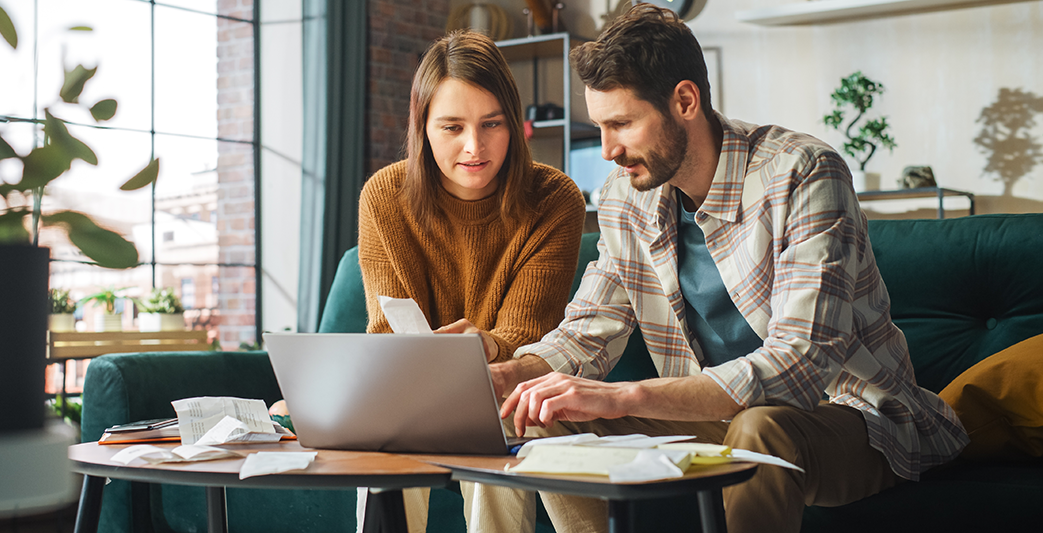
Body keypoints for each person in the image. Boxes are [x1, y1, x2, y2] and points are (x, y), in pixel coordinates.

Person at [488, 5, 969, 533]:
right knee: (544, 414)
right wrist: (510, 376)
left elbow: (801, 362)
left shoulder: (803, 172)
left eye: (622, 124)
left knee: (760, 430)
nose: (608, 150)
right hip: (713, 420)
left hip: (848, 417)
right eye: (601, 126)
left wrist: (628, 394)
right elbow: (588, 330)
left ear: (685, 101)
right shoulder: (626, 197)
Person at [273, 30, 587, 533]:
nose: (474, 146)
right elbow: (388, 334)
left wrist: (487, 345)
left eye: (492, 124)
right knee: (387, 427)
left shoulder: (554, 199)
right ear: (423, 127)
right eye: (452, 127)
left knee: (497, 414)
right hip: (408, 394)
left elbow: (530, 336)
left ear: (514, 124)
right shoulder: (385, 196)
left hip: (506, 387)